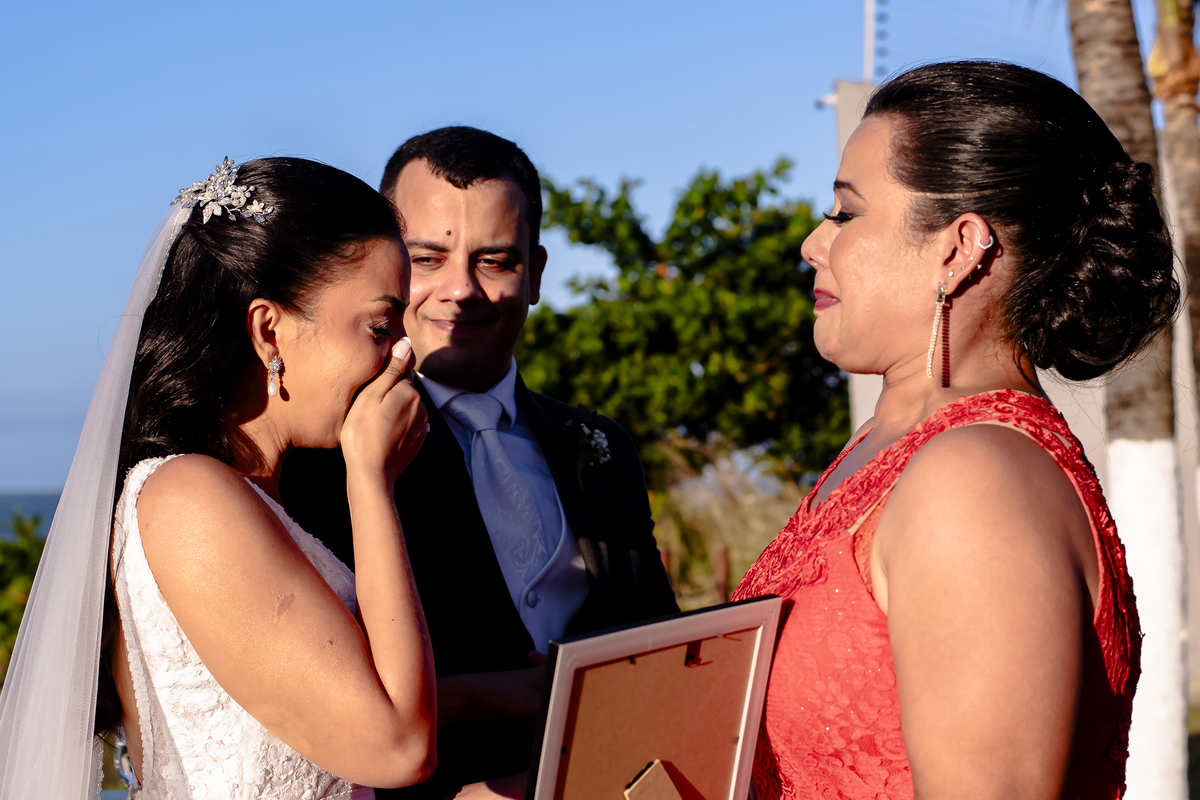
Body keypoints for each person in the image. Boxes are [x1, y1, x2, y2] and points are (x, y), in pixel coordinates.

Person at [731, 61, 1175, 800]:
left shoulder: (974, 478)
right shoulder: (884, 453)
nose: (814, 243)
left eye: (846, 213)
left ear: (959, 246)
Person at [0, 157, 438, 798]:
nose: (405, 351)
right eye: (380, 324)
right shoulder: (190, 500)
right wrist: (370, 479)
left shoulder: (256, 495)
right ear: (268, 331)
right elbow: (398, 748)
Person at [281, 127, 679, 798]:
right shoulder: (324, 456)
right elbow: (305, 696)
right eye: (428, 259)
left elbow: (659, 648)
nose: (459, 289)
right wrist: (494, 695)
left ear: (537, 275)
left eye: (494, 261)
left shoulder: (601, 445)